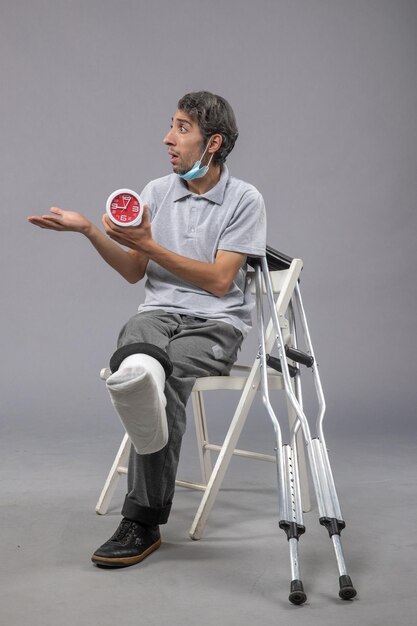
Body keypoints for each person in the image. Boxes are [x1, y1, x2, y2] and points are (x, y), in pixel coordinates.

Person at [28, 91, 266, 568]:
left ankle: (142, 520)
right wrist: (89, 231)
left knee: (169, 374)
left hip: (215, 325)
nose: (167, 138)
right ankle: (139, 376)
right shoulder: (156, 192)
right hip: (157, 315)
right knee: (140, 360)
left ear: (212, 142)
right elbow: (136, 272)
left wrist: (150, 245)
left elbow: (221, 283)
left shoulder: (244, 199)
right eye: (171, 126)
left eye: (181, 128)